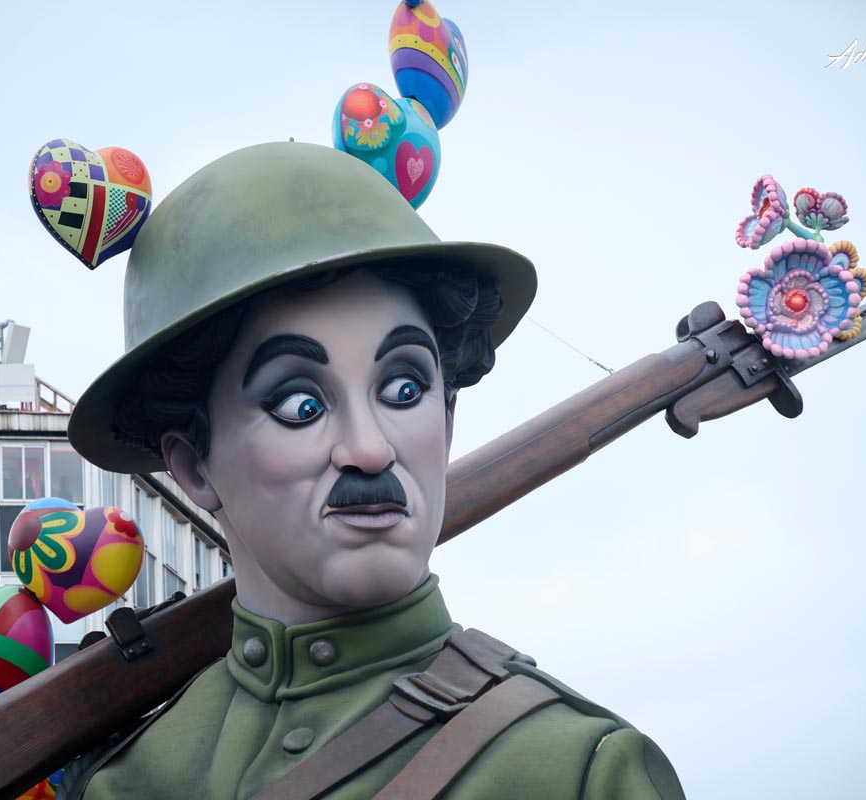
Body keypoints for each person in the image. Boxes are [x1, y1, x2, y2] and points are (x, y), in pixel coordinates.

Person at [60, 142, 684, 799]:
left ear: (447, 421)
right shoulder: (124, 782)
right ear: (193, 468)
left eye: (404, 391)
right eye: (301, 405)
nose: (369, 448)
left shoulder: (573, 771)